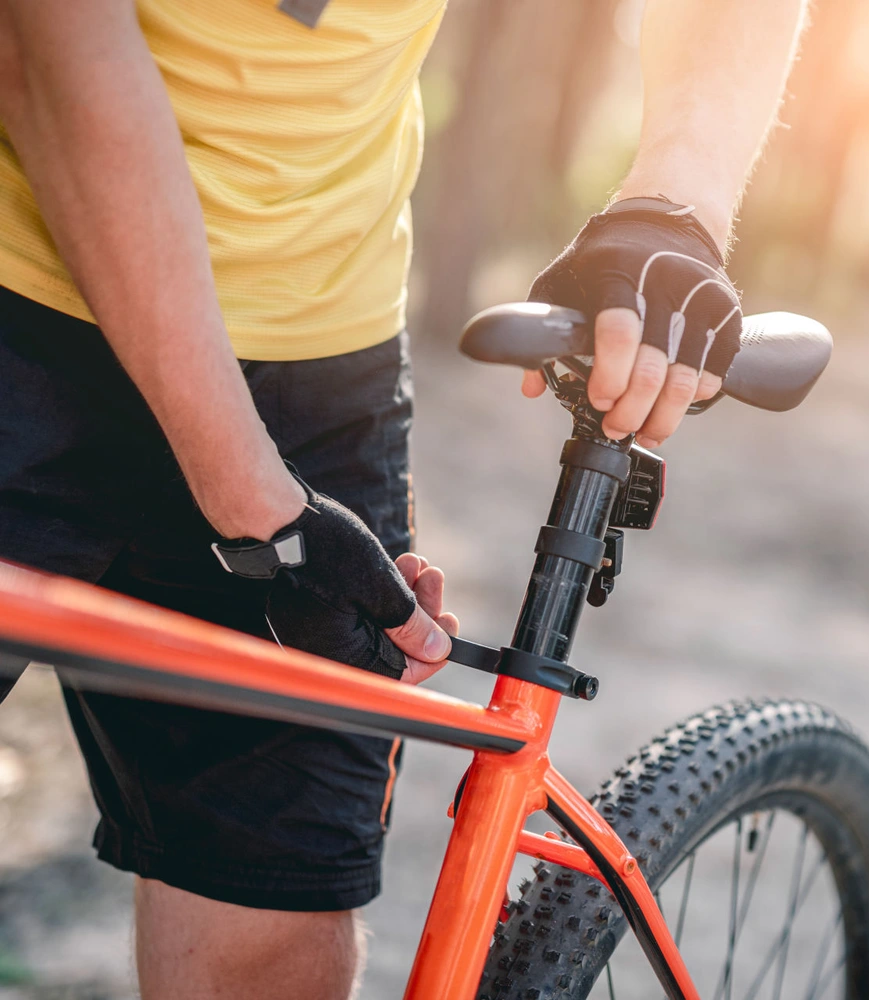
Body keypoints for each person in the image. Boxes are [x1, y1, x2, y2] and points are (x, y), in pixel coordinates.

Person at [0, 0, 810, 996]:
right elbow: (42, 52)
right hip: (20, 294)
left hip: (317, 361)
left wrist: (672, 204)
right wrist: (263, 509)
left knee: (274, 932)